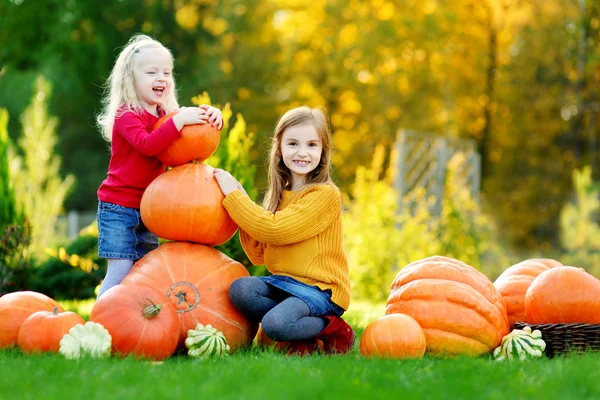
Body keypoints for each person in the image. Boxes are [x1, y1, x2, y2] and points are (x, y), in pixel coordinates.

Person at [213, 106, 355, 355]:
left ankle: (331, 327)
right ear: (279, 149)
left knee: (275, 325)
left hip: (319, 289)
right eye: (293, 144)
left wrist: (236, 200)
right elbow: (259, 254)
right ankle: (301, 335)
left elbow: (275, 231)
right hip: (284, 284)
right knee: (241, 290)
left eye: (312, 145)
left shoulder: (324, 195)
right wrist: (243, 202)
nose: (302, 152)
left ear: (323, 152)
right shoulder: (279, 195)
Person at [95, 34, 223, 298]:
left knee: (144, 273)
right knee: (120, 272)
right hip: (118, 207)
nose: (161, 78)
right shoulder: (126, 114)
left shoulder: (165, 117)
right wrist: (179, 122)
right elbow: (147, 144)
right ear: (131, 79)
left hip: (151, 209)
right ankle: (99, 324)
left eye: (167, 72)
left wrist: (210, 115)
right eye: (152, 72)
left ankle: (130, 328)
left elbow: (183, 148)